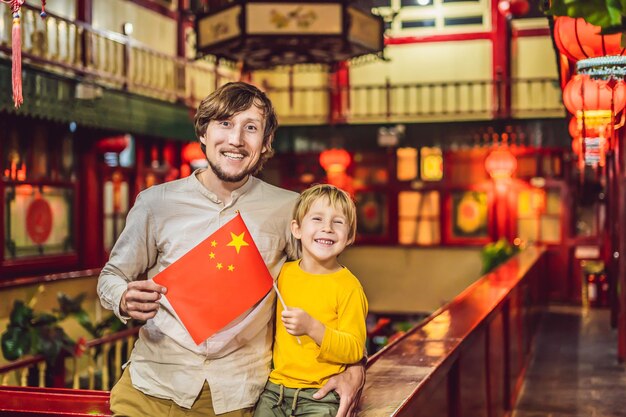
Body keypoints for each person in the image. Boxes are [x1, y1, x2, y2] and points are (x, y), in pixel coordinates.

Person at [97, 82, 365, 417]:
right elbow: (111, 276)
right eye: (225, 123)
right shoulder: (156, 203)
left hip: (237, 397)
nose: (236, 139)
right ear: (204, 133)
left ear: (265, 142)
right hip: (150, 387)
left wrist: (355, 367)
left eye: (250, 128)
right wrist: (122, 296)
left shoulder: (289, 209)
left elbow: (325, 286)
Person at [254, 184, 368, 417]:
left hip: (320, 397)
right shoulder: (282, 274)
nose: (327, 228)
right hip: (274, 391)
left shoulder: (349, 287)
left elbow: (355, 349)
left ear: (349, 237)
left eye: (338, 222)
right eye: (317, 219)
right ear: (296, 229)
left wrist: (314, 328)